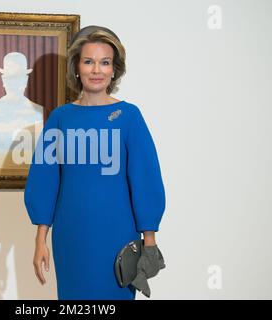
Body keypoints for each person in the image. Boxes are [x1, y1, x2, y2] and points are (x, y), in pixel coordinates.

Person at [24, 26, 166, 299]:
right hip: (71, 236)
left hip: (117, 236)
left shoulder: (128, 116)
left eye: (105, 62)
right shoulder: (60, 118)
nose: (96, 70)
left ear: (114, 70)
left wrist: (150, 242)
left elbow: (145, 180)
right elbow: (45, 180)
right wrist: (40, 239)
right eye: (88, 61)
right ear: (77, 68)